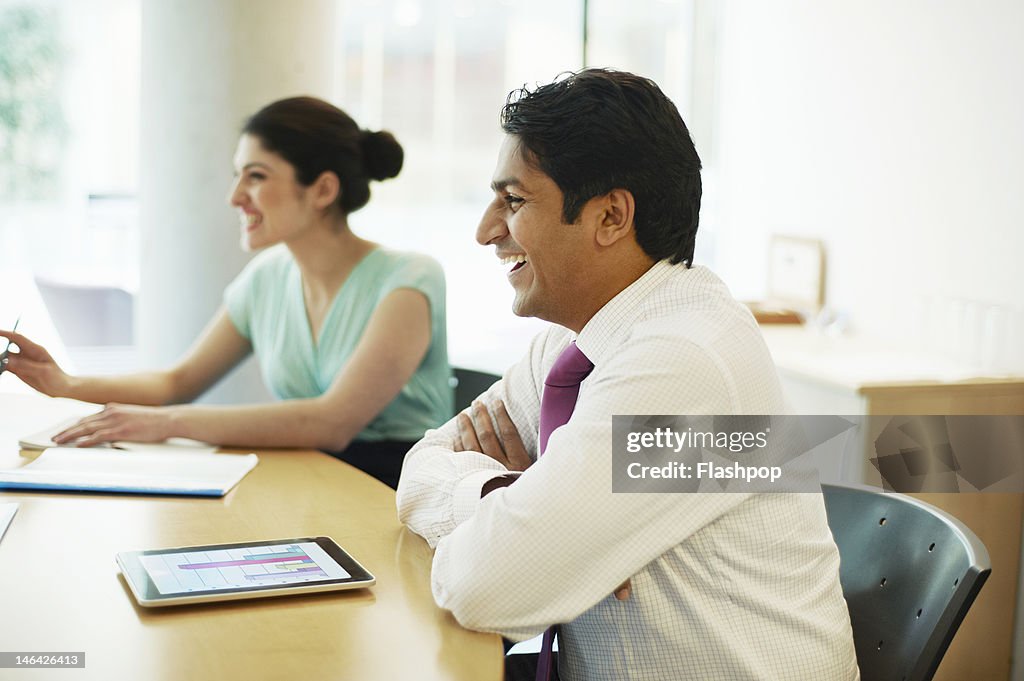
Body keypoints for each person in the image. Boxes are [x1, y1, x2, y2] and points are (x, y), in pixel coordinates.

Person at [396, 70, 859, 680]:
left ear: (611, 216)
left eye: (513, 201)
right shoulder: (572, 346)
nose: (485, 230)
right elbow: (420, 465)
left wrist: (530, 529)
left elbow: (484, 584)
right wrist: (497, 496)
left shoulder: (685, 362)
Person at [0, 96, 452, 489]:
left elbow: (331, 423)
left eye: (255, 176)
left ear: (323, 189)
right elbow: (177, 382)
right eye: (238, 175)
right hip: (307, 477)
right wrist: (65, 384)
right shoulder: (267, 278)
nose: (235, 196)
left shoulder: (409, 279)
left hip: (393, 491)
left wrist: (165, 424)